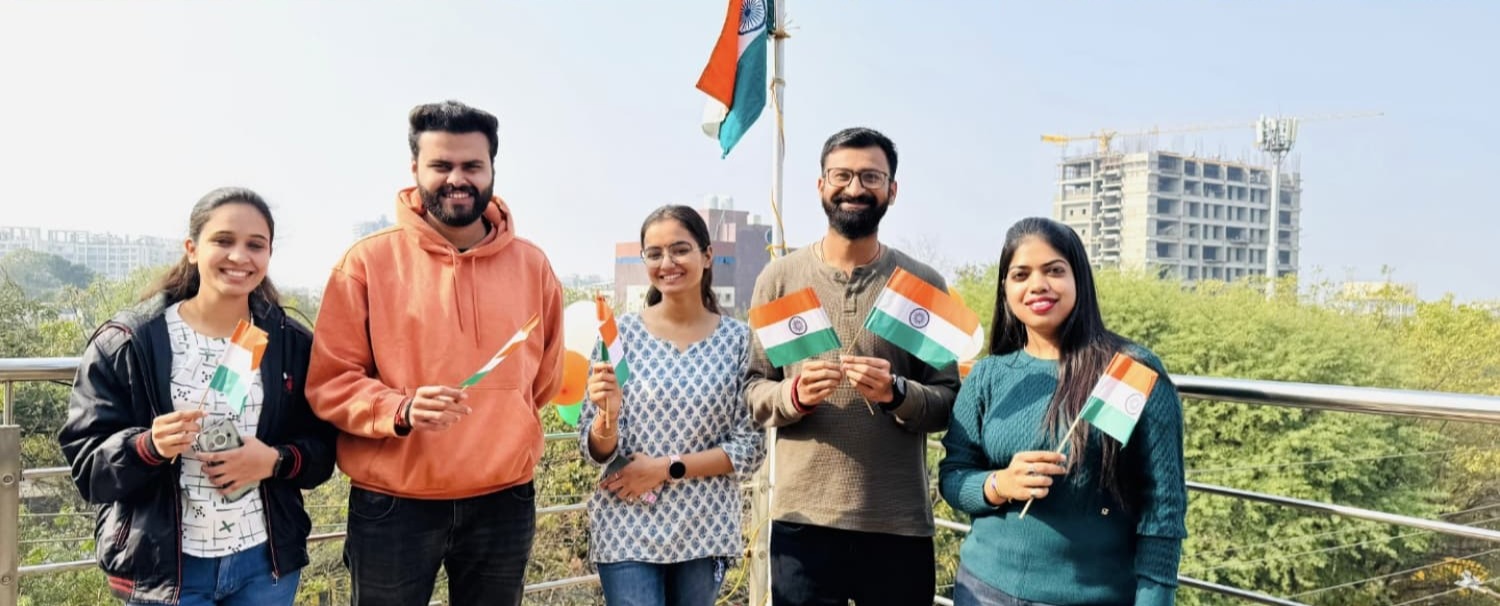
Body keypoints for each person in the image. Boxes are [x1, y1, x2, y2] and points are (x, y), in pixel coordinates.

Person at [305, 100, 565, 606]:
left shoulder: (533, 266)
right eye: (441, 166)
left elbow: (546, 377)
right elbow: (330, 382)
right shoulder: (366, 262)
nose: (457, 179)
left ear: (492, 167)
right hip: (393, 505)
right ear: (415, 170)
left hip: (503, 500)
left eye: (472, 166)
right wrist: (399, 409)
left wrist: (501, 418)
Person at [59, 187, 338, 605]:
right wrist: (147, 446)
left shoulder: (286, 343)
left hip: (265, 566)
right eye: (223, 241)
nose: (240, 257)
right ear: (192, 249)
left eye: (255, 245)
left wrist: (273, 461)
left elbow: (321, 451)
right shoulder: (129, 342)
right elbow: (87, 465)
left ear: (268, 255)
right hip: (165, 570)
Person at [744, 127, 961, 605]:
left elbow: (948, 401)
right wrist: (792, 396)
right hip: (803, 520)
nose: (855, 188)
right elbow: (754, 389)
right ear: (821, 185)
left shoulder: (921, 285)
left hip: (898, 523)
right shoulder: (780, 279)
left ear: (892, 191)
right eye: (842, 175)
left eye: (871, 177)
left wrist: (897, 394)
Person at [937, 217, 1187, 606]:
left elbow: (1163, 509)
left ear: (1079, 280)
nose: (1038, 284)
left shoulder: (1129, 372)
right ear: (1005, 288)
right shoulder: (988, 374)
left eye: (1054, 270)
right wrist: (999, 484)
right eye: (1021, 274)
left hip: (1091, 596)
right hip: (982, 589)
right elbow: (953, 477)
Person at [580, 205, 766, 605]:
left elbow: (750, 448)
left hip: (706, 527)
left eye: (680, 250)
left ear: (707, 255)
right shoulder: (618, 336)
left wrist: (665, 469)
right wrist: (606, 418)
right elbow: (592, 448)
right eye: (654, 253)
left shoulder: (738, 340)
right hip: (627, 524)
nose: (667, 263)